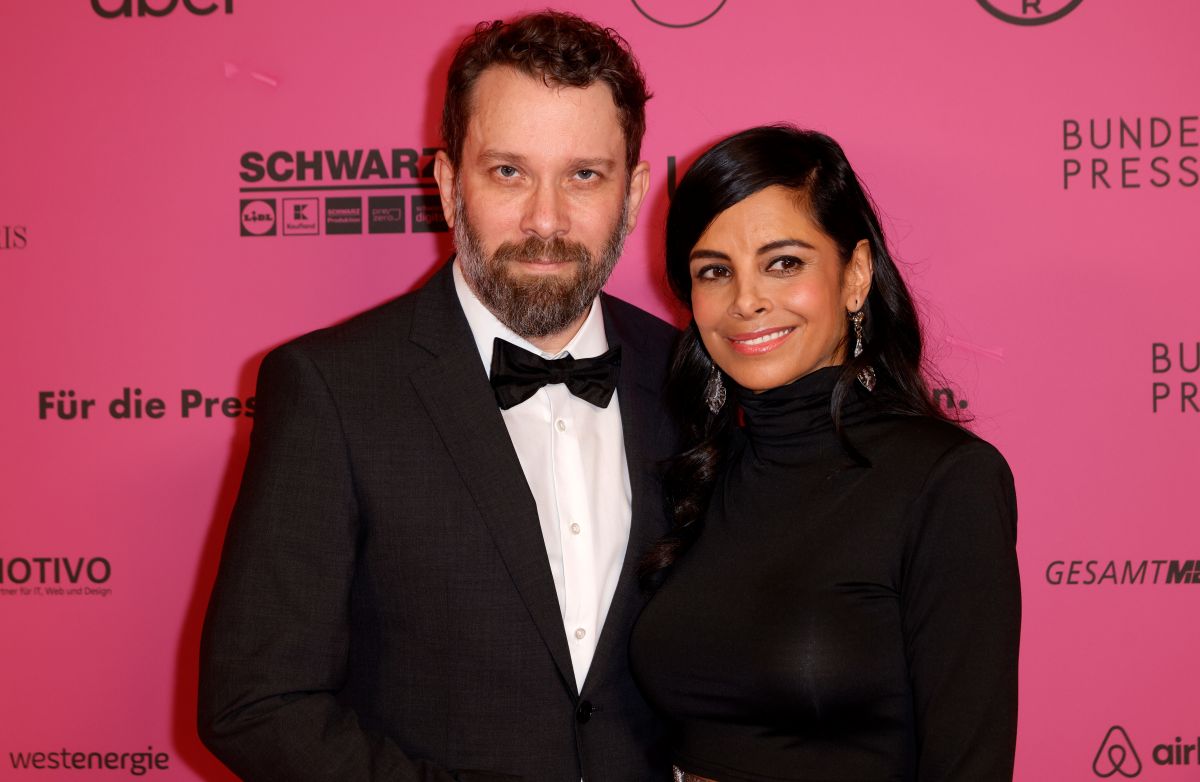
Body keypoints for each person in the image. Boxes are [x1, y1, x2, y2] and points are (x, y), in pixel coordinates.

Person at [198, 12, 677, 781]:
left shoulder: (692, 378)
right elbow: (257, 702)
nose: (545, 220)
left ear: (635, 190)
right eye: (508, 172)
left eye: (584, 174)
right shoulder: (333, 389)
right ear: (450, 185)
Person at [629, 125, 1021, 781]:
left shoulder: (945, 481)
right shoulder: (696, 474)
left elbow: (969, 764)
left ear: (856, 275)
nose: (747, 300)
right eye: (714, 271)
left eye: (784, 263)